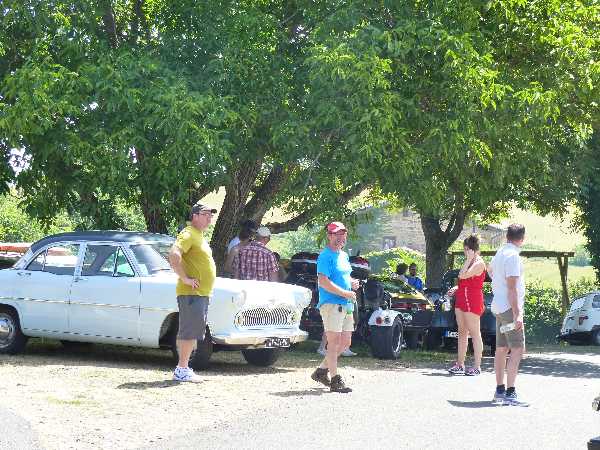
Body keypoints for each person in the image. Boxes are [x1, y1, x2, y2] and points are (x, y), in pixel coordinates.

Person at [168, 202, 217, 383]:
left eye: (211, 215)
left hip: (200, 293)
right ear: (194, 216)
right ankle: (181, 369)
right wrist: (185, 278)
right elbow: (174, 254)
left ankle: (184, 368)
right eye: (205, 214)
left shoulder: (199, 236)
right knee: (189, 331)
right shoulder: (188, 233)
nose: (209, 218)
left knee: (193, 331)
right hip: (192, 293)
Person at [311, 222, 359, 393]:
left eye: (343, 234)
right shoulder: (325, 256)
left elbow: (345, 276)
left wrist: (352, 283)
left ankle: (321, 371)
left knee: (345, 342)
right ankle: (335, 380)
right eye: (337, 234)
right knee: (334, 342)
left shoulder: (344, 256)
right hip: (331, 304)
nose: (341, 238)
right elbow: (323, 282)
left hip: (346, 304)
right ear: (329, 236)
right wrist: (345, 293)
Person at [488, 223, 529, 406]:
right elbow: (512, 288)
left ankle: (499, 391)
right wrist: (518, 314)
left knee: (502, 348)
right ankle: (510, 393)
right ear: (522, 238)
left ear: (507, 236)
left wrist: (498, 284)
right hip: (508, 310)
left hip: (498, 307)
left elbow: (489, 270)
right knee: (517, 349)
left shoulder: (500, 253)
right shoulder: (513, 256)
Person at [447, 235, 486, 376]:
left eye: (466, 250)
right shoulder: (469, 261)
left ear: (470, 249)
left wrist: (469, 259)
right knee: (462, 332)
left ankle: (477, 366)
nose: (464, 252)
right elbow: (464, 280)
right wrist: (457, 288)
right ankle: (460, 364)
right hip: (461, 298)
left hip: (473, 300)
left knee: (475, 333)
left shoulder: (479, 263)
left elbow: (462, 275)